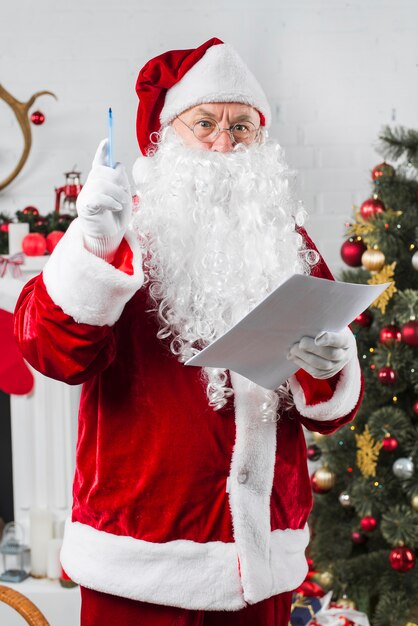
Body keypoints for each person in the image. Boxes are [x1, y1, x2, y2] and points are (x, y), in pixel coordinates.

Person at [14, 37, 363, 626]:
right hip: (141, 563)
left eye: (241, 127)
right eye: (204, 123)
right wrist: (91, 245)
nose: (223, 142)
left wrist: (330, 370)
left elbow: (324, 411)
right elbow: (51, 354)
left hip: (261, 567)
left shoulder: (289, 244)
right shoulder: (123, 236)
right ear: (166, 133)